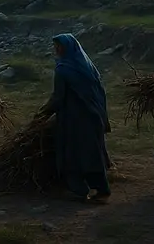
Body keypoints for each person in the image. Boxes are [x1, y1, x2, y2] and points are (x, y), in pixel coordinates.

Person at [39, 33, 112, 203]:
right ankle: (102, 190)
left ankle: (79, 190)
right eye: (55, 46)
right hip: (93, 116)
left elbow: (58, 98)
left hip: (73, 119)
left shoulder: (63, 69)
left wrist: (42, 113)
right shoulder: (87, 66)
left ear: (67, 48)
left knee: (70, 154)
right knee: (92, 153)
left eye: (59, 46)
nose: (56, 50)